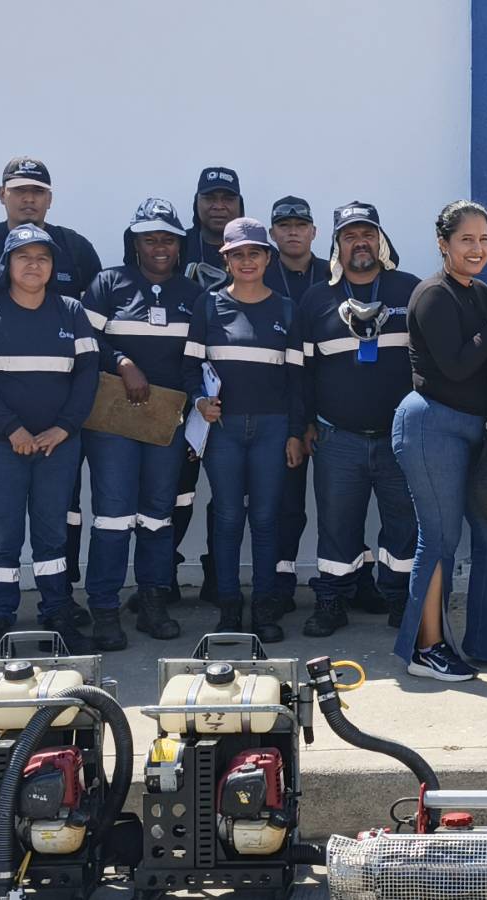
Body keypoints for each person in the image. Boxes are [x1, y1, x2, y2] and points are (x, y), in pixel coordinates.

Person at [0, 156, 101, 615]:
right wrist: (11, 429)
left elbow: (88, 373)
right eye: (23, 257)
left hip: (58, 442)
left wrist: (64, 427)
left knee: (54, 531)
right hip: (0, 442)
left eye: (42, 258)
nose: (34, 265)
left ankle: (58, 608)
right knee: (2, 532)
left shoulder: (71, 307)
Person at [392, 200, 487, 681]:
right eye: (466, 239)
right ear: (443, 244)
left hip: (476, 433)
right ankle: (426, 648)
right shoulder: (432, 295)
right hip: (432, 425)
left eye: (484, 239)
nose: (477, 248)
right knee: (441, 538)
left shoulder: (480, 292)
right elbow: (458, 365)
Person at [78, 199, 200, 649]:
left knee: (157, 516)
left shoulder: (192, 295)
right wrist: (122, 361)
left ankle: (152, 603)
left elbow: (198, 359)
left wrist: (195, 415)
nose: (160, 247)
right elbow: (85, 340)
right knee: (113, 516)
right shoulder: (109, 283)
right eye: (150, 239)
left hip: (166, 421)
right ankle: (105, 610)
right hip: (112, 420)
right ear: (135, 243)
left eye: (168, 239)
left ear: (180, 245)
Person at [296, 202, 420, 637]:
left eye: (367, 234)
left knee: (403, 525)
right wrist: (304, 423)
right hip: (337, 437)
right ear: (337, 246)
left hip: (400, 439)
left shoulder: (410, 290)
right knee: (336, 526)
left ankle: (400, 601)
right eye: (349, 236)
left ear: (381, 240)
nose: (360, 243)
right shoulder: (316, 299)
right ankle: (332, 600)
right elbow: (302, 371)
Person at [184, 218, 303, 643]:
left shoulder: (286, 310)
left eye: (254, 253)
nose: (247, 261)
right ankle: (230, 608)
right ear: (226, 260)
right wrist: (199, 401)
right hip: (224, 430)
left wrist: (295, 432)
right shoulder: (208, 305)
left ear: (268, 258)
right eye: (238, 254)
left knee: (267, 519)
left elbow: (297, 380)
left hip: (273, 429)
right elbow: (190, 368)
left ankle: (265, 609)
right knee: (229, 518)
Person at [171, 166, 245, 604]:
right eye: (210, 198)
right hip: (180, 392)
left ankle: (219, 576)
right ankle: (164, 576)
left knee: (228, 497)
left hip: (234, 398)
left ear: (239, 204)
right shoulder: (174, 245)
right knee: (176, 492)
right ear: (196, 203)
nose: (218, 206)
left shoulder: (253, 251)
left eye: (227, 198)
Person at [264, 195, 332, 608]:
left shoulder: (334, 274)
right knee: (286, 505)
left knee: (340, 503)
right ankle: (281, 584)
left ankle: (350, 583)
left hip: (331, 408)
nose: (293, 232)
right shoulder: (259, 274)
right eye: (285, 226)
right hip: (281, 408)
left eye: (300, 225)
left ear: (313, 232)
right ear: (273, 233)